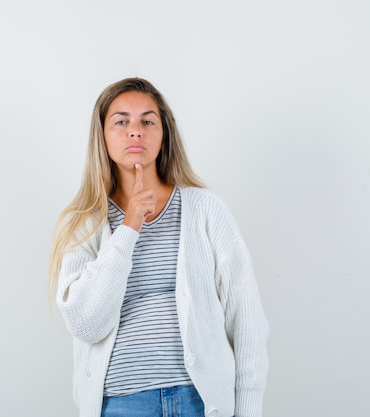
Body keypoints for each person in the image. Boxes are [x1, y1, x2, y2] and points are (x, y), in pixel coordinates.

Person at [49, 77, 269, 417]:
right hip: (122, 404)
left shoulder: (205, 209)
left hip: (199, 400)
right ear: (102, 136)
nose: (135, 131)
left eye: (147, 121)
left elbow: (247, 319)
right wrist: (128, 228)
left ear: (163, 133)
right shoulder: (83, 222)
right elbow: (85, 324)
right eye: (121, 121)